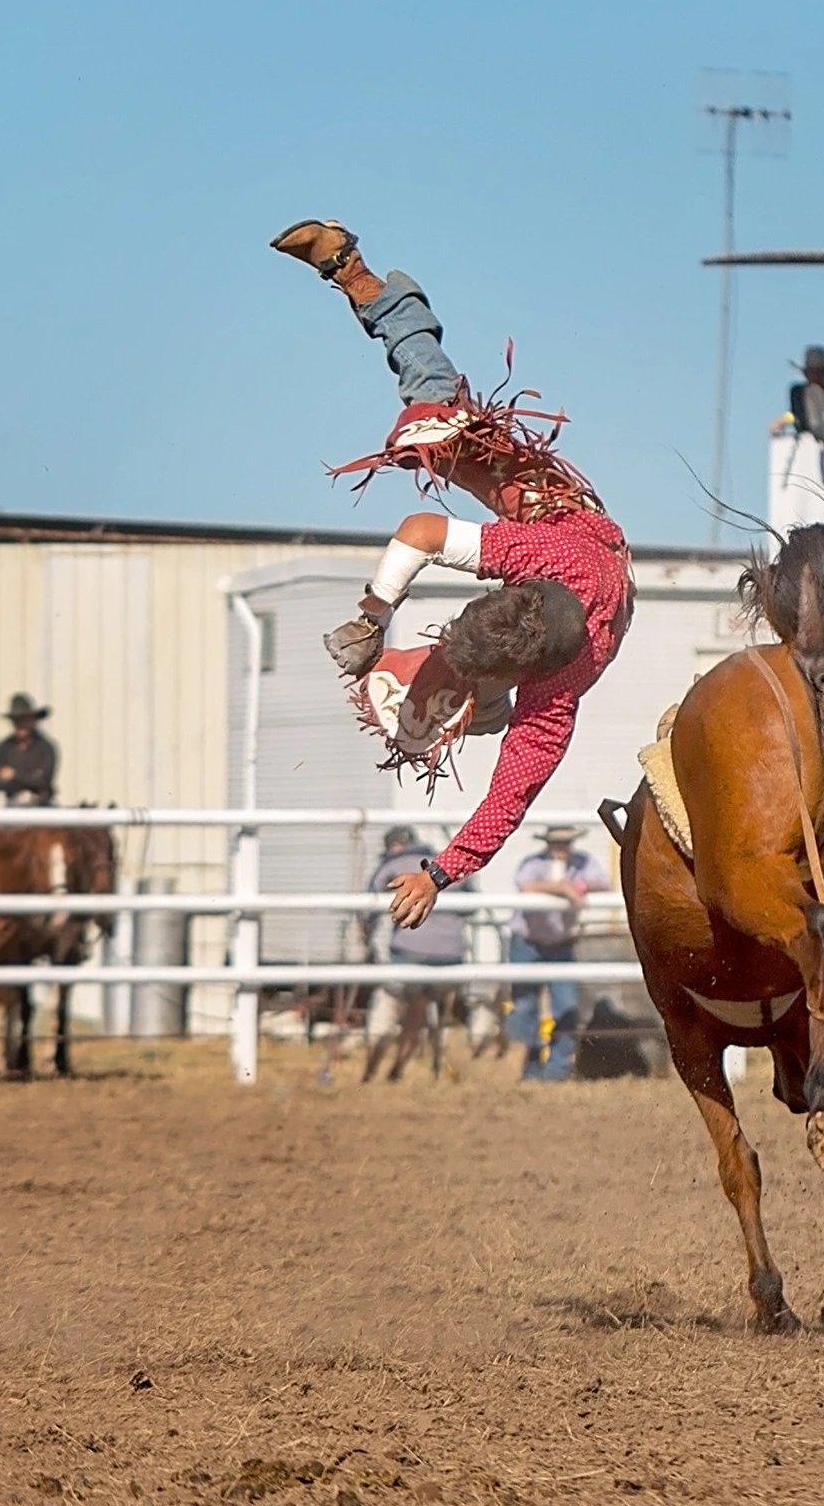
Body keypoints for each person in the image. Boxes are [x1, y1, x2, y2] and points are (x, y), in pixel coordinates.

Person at [271, 220, 632, 932]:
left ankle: (375, 292)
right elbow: (422, 532)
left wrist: (442, 870)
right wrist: (372, 617)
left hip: (584, 583)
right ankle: (367, 286)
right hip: (569, 522)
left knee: (439, 420)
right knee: (442, 426)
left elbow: (510, 794)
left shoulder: (551, 698)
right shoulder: (544, 552)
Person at [504, 825, 610, 1082]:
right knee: (524, 1007)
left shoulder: (582, 863)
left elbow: (604, 883)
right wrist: (563, 889)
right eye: (556, 843)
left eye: (566, 843)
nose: (561, 849)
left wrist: (578, 886)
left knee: (566, 1007)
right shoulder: (535, 863)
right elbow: (525, 885)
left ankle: (556, 1071)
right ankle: (530, 1069)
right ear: (548, 844)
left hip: (560, 943)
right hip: (528, 942)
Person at [366, 825, 467, 1081]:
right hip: (449, 955)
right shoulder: (452, 861)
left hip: (408, 952)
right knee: (418, 1016)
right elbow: (471, 907)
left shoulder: (392, 865)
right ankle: (397, 1071)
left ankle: (369, 1073)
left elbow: (369, 907)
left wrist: (366, 936)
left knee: (387, 1010)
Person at [0, 694, 58, 805]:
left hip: (42, 804)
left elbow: (44, 781)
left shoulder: (45, 747)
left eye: (24, 719)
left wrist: (13, 775)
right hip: (13, 802)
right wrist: (31, 776)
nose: (20, 724)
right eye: (16, 721)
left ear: (33, 720)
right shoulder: (4, 747)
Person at [783, 346, 824, 439]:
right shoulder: (797, 393)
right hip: (806, 438)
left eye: (819, 372)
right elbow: (794, 415)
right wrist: (782, 421)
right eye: (811, 372)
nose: (815, 376)